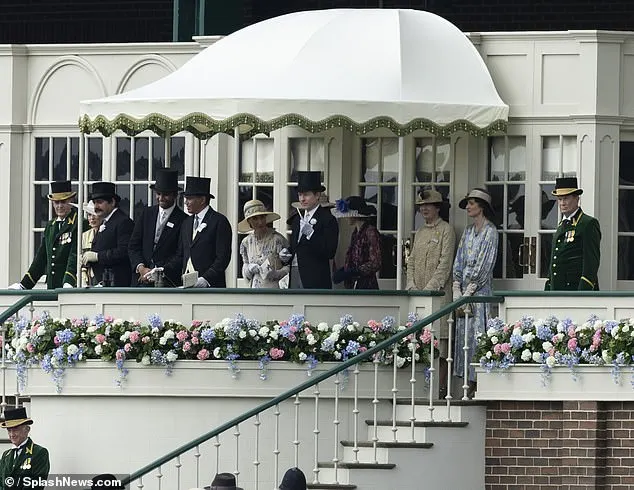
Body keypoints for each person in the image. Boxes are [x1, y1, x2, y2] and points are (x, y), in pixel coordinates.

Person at [406, 189, 456, 397]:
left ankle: (441, 389)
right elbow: (411, 262)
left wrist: (429, 290)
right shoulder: (419, 232)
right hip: (418, 298)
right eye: (421, 206)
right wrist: (411, 286)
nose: (424, 209)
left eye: (428, 205)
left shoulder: (446, 230)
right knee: (420, 343)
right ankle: (422, 388)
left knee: (440, 345)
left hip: (439, 297)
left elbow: (445, 265)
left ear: (438, 207)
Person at [452, 188, 498, 397]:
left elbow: (484, 265)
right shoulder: (468, 231)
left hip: (479, 294)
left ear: (481, 206)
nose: (469, 207)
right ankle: (465, 382)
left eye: (472, 203)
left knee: (478, 336)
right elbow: (460, 259)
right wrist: (457, 287)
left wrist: (469, 290)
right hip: (463, 295)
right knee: (464, 338)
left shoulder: (491, 232)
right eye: (468, 203)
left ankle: (478, 381)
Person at [9, 181, 79, 290]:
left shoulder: (79, 223)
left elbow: (75, 256)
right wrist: (24, 284)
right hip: (52, 286)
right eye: (56, 202)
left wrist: (69, 282)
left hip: (71, 286)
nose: (60, 206)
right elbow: (41, 258)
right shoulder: (50, 226)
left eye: (63, 202)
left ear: (71, 201)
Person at [164, 177, 232, 288]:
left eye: (189, 198)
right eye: (185, 198)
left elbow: (223, 257)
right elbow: (180, 255)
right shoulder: (186, 223)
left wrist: (206, 279)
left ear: (202, 200)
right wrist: (163, 270)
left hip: (211, 287)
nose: (186, 202)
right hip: (186, 286)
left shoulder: (219, 221)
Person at [128, 169, 187, 286]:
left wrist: (159, 272)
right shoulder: (146, 214)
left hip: (167, 282)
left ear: (175, 195)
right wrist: (141, 268)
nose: (161, 198)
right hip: (141, 280)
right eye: (158, 194)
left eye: (165, 195)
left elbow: (180, 254)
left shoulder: (183, 219)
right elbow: (133, 245)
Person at [281, 171, 339, 289]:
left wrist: (312, 234)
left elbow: (330, 252)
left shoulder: (328, 219)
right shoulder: (297, 219)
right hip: (295, 274)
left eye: (306, 194)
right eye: (300, 195)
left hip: (315, 277)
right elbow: (296, 247)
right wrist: (286, 254)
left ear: (317, 195)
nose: (302, 199)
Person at [545, 177, 601, 291]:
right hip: (558, 291)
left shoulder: (588, 223)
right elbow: (554, 263)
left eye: (566, 198)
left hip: (575, 291)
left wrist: (582, 294)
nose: (562, 203)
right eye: (559, 199)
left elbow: (591, 265)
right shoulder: (561, 225)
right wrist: (548, 289)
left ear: (577, 198)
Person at [81, 181, 135, 287]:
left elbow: (124, 252)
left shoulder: (122, 222)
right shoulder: (106, 221)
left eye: (100, 202)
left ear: (112, 202)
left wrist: (97, 256)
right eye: (95, 202)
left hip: (116, 284)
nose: (96, 206)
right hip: (103, 282)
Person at [331, 196, 381, 289]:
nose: (347, 217)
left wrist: (355, 271)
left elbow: (376, 262)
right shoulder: (356, 232)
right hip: (354, 284)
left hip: (367, 285)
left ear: (355, 214)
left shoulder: (370, 232)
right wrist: (344, 270)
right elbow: (354, 258)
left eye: (348, 214)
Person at [238, 199, 289, 288]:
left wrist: (277, 273)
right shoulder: (246, 242)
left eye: (262, 217)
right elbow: (245, 269)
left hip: (275, 292)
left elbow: (290, 266)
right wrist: (249, 269)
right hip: (255, 292)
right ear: (249, 221)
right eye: (255, 218)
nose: (260, 222)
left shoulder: (277, 239)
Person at [0, 407, 50, 490]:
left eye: (16, 430)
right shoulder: (6, 455)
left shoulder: (39, 452)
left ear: (27, 429)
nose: (12, 434)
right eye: (9, 430)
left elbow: (37, 484)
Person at [81, 201, 103, 286]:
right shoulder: (84, 235)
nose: (92, 218)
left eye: (94, 214)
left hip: (102, 277)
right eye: (89, 215)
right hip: (87, 277)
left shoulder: (107, 232)